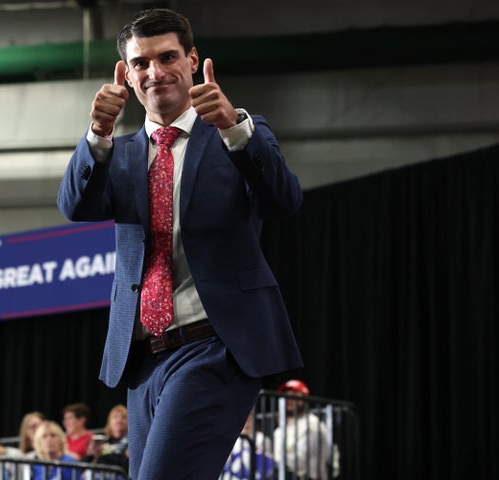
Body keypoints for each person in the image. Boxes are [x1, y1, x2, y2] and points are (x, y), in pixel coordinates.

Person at [57, 7, 303, 479]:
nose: (155, 72)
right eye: (141, 63)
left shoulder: (237, 133)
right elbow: (75, 206)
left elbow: (283, 201)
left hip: (216, 344)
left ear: (192, 60)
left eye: (167, 56)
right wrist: (97, 136)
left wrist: (234, 125)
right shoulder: (118, 153)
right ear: (127, 76)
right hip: (143, 357)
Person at [272, 380, 329, 480]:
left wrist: (269, 461)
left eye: (294, 395)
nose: (288, 399)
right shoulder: (279, 431)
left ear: (303, 398)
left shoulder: (312, 425)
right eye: (285, 395)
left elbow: (300, 462)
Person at [83, 405, 128, 473]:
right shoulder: (102, 440)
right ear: (109, 422)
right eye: (115, 417)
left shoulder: (131, 442)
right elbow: (84, 464)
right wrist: (91, 454)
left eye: (123, 417)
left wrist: (103, 452)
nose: (119, 420)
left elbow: (126, 464)